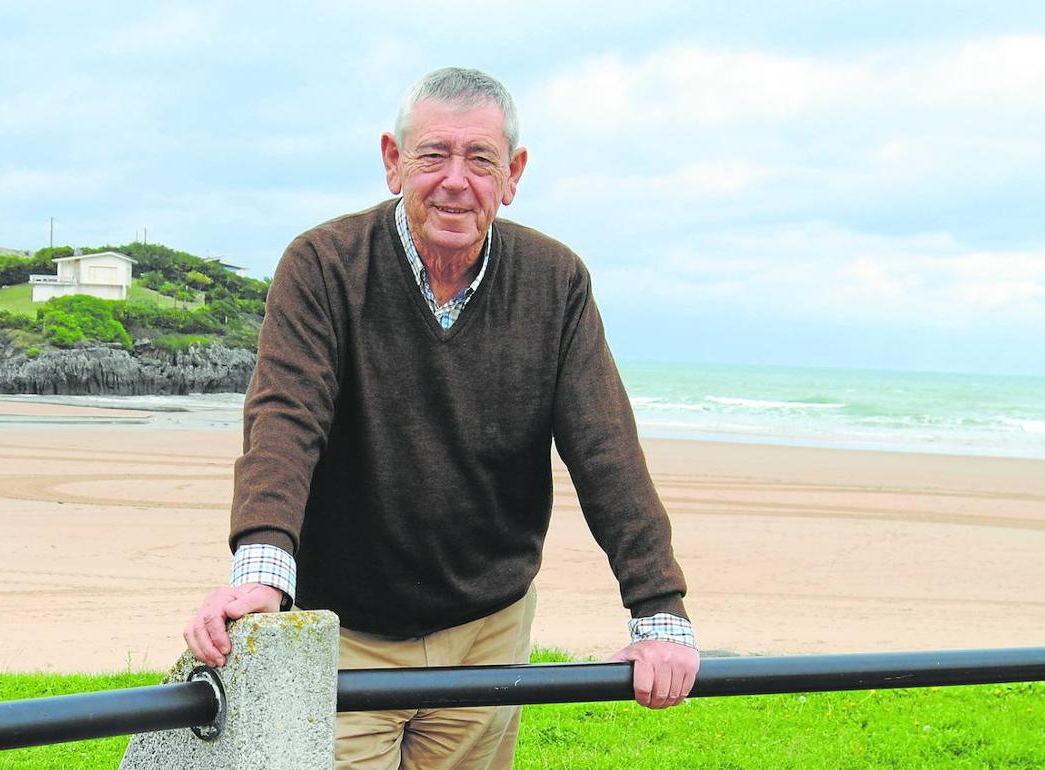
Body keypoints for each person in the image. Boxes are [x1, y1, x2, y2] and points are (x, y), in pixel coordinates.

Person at [185, 66, 698, 769]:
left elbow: (605, 450)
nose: (456, 179)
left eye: (480, 159)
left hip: (488, 633)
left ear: (512, 175)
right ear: (393, 163)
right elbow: (284, 422)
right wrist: (262, 575)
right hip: (345, 635)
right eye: (433, 154)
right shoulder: (322, 267)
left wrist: (659, 612)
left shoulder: (556, 282)